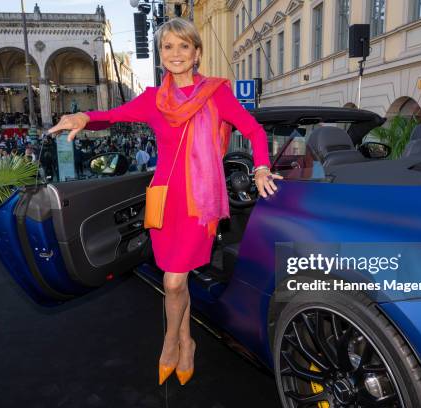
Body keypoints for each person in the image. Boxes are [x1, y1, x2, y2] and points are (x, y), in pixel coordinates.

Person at [48, 17, 282, 387]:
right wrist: (81, 116)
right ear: (160, 56)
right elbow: (109, 116)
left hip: (199, 202)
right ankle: (187, 341)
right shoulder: (153, 99)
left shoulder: (216, 93)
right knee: (179, 278)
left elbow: (252, 129)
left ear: (196, 53)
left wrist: (261, 168)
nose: (175, 53)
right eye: (168, 47)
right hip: (165, 200)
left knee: (173, 283)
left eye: (183, 46)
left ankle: (171, 343)